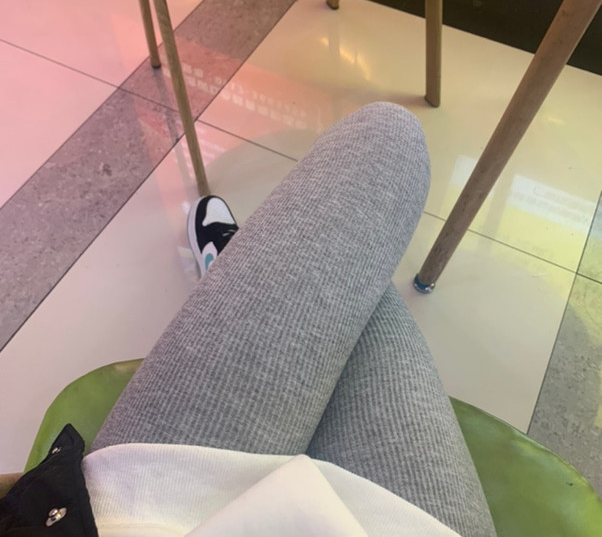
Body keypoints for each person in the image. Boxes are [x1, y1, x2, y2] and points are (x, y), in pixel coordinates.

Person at [0, 103, 496, 537]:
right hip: (164, 516)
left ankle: (235, 263)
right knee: (385, 142)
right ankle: (237, 261)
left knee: (344, 267)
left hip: (162, 514)